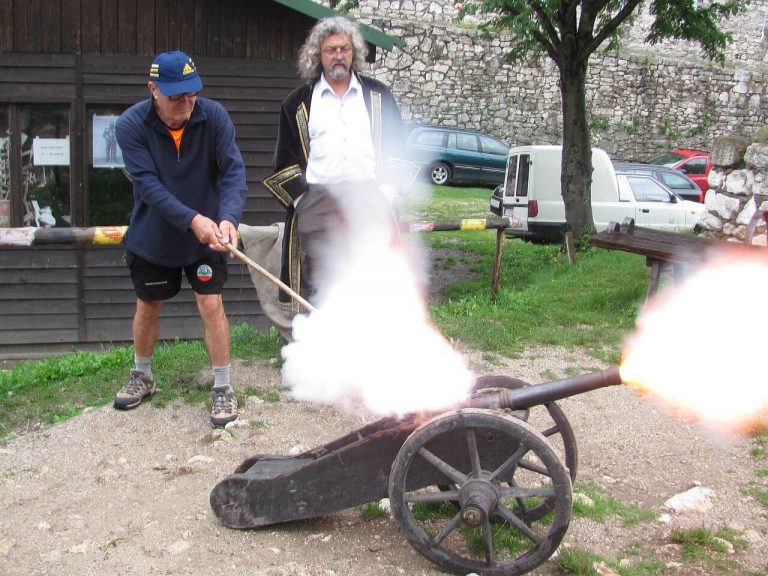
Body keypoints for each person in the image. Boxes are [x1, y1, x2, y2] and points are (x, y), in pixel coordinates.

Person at [114, 51, 248, 427]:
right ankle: (143, 374)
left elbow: (233, 172)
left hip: (208, 236)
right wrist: (192, 220)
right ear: (153, 89)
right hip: (156, 235)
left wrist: (228, 218)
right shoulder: (131, 126)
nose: (187, 102)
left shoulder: (214, 116)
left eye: (192, 92)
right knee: (149, 304)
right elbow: (149, 188)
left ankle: (222, 386)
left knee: (211, 304)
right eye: (176, 95)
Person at [263, 16, 407, 312]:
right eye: (331, 50)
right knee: (319, 280)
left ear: (354, 52)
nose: (338, 55)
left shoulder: (380, 97)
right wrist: (304, 201)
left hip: (369, 199)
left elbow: (400, 153)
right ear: (318, 55)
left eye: (344, 48)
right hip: (317, 202)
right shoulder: (297, 103)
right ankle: (320, 350)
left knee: (370, 275)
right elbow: (284, 161)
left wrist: (387, 196)